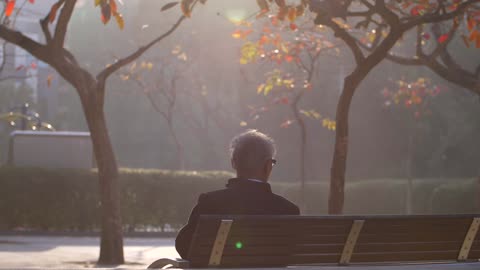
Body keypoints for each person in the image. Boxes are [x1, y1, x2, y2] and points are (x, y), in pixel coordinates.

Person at [175, 130, 300, 259]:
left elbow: (184, 247)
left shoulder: (210, 202)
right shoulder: (289, 210)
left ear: (234, 163)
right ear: (268, 166)